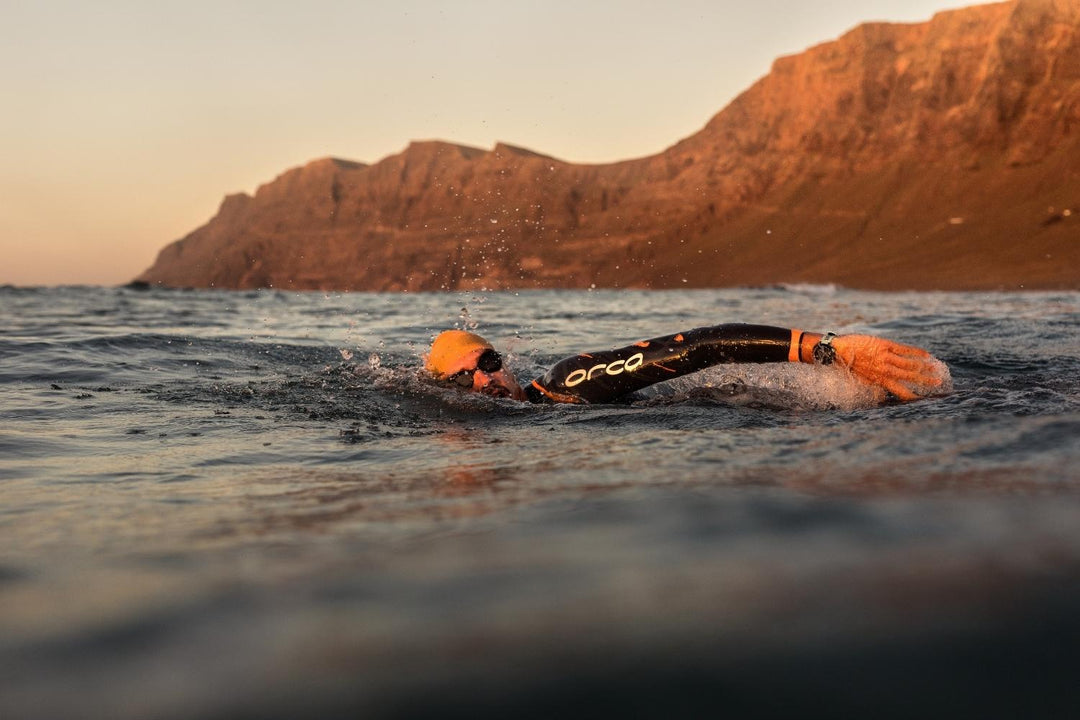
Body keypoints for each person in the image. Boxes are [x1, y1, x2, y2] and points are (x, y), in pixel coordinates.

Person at [424, 324, 942, 405]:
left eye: (488, 360)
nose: (484, 377)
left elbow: (700, 348)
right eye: (464, 375)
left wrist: (829, 349)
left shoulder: (564, 385)